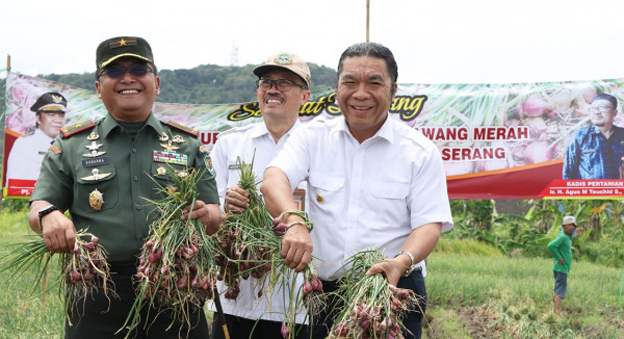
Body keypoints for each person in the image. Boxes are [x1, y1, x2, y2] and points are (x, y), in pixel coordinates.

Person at [27, 36, 221, 339]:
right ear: (97, 87)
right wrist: (49, 214)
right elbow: (38, 206)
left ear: (156, 83)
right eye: (115, 72)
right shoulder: (72, 145)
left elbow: (215, 216)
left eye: (138, 70)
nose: (128, 78)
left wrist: (205, 216)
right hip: (98, 293)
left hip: (175, 290)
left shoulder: (187, 144)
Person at [260, 42, 454, 339]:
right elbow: (274, 178)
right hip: (325, 296)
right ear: (337, 86)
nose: (360, 93)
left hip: (392, 289)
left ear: (393, 90)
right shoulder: (313, 137)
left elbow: (429, 225)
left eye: (374, 83)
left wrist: (400, 262)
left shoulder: (419, 151)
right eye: (350, 82)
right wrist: (294, 222)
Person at [209, 52, 312, 339]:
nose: (273, 89)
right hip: (237, 298)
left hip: (298, 301)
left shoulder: (321, 145)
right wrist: (226, 207)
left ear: (305, 96)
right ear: (258, 91)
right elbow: (209, 212)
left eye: (285, 83)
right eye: (266, 82)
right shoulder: (231, 143)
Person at [5, 91, 67, 189]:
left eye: (61, 115)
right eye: (51, 115)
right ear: (38, 118)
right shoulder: (24, 144)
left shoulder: (67, 144)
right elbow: (14, 184)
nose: (57, 120)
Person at [563, 93, 624, 179]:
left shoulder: (622, 135)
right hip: (590, 191)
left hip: (619, 191)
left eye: (603, 107)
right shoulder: (579, 137)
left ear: (615, 112)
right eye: (593, 108)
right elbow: (568, 173)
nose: (596, 112)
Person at [547, 215, 577, 314]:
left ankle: (556, 310)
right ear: (564, 227)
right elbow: (551, 246)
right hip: (561, 268)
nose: (571, 227)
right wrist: (559, 258)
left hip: (562, 268)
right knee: (560, 291)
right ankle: (558, 312)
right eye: (569, 225)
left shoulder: (567, 238)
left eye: (573, 225)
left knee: (558, 289)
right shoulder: (563, 237)